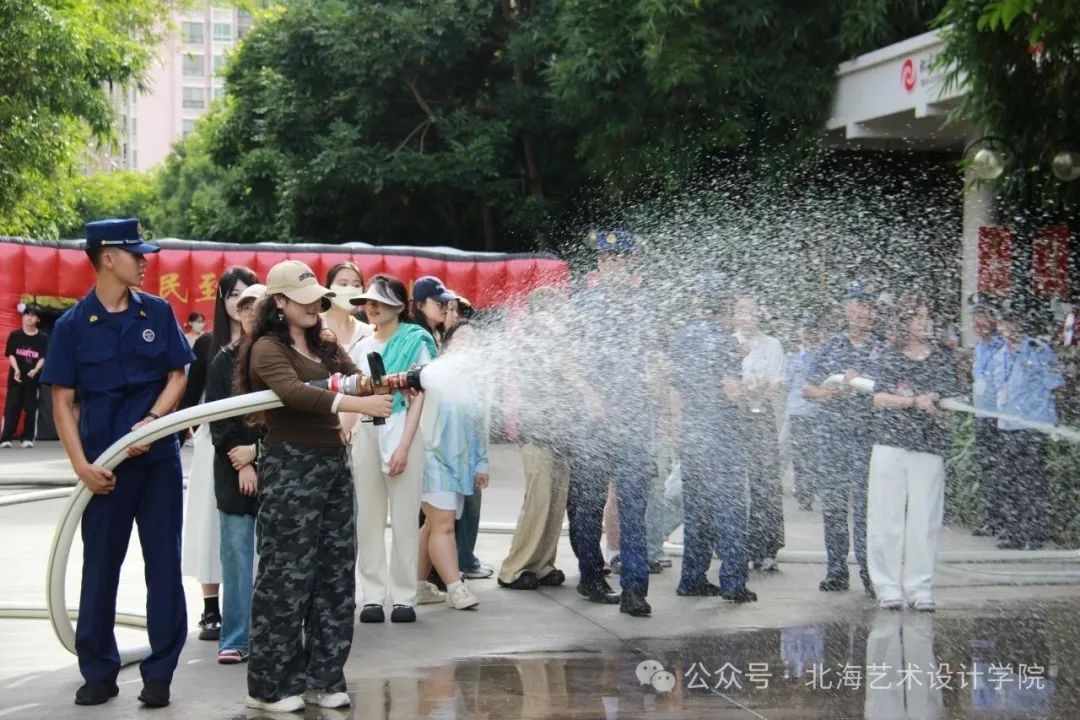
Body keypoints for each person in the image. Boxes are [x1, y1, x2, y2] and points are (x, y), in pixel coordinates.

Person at [42, 218, 194, 708]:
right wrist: (81, 467)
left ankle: (159, 674)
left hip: (157, 463)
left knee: (163, 566)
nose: (145, 262)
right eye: (136, 254)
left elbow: (178, 375)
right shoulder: (72, 326)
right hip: (103, 471)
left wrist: (153, 420)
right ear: (107, 258)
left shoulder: (158, 312)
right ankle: (98, 671)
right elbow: (63, 402)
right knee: (100, 569)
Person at [236, 260, 392, 712]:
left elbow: (353, 377)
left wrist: (386, 384)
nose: (312, 307)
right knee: (286, 577)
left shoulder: (325, 342)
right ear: (279, 303)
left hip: (333, 465)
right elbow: (295, 393)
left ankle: (323, 680)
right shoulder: (267, 348)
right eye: (302, 300)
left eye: (315, 299)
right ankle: (269, 687)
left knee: (335, 575)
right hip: (291, 467)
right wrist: (359, 403)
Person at [567, 229, 654, 617]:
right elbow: (562, 358)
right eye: (604, 259)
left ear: (629, 262)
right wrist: (587, 393)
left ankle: (635, 588)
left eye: (617, 259)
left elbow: (654, 354)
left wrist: (661, 391)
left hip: (634, 417)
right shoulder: (584, 305)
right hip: (593, 421)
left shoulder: (644, 304)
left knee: (634, 504)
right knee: (588, 504)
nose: (610, 265)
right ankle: (590, 574)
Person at [350, 274, 437, 624]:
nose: (372, 308)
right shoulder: (360, 346)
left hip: (403, 429)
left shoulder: (417, 340)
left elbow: (419, 397)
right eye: (369, 302)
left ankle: (403, 595)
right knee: (368, 518)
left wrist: (404, 445)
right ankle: (372, 595)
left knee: (404, 516)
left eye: (380, 301)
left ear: (400, 306)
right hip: (366, 431)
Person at [180, 266, 259, 643]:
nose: (240, 302)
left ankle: (249, 606)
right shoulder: (208, 345)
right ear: (222, 300)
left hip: (257, 442)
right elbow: (189, 398)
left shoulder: (266, 344)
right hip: (216, 441)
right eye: (233, 295)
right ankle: (211, 607)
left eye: (247, 294)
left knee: (247, 530)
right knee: (210, 524)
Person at [868, 290, 960, 611]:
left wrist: (935, 403)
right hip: (890, 444)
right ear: (904, 322)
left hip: (928, 446)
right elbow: (879, 397)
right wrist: (912, 401)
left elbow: (951, 401)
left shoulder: (942, 358)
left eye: (928, 317)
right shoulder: (890, 355)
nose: (925, 323)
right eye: (918, 317)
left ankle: (920, 588)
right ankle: (887, 586)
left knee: (924, 518)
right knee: (886, 516)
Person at [670, 273, 757, 603]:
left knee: (697, 510)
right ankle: (734, 583)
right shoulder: (725, 341)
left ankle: (692, 578)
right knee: (730, 509)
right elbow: (732, 391)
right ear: (727, 305)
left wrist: (677, 427)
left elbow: (674, 388)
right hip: (722, 434)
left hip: (693, 433)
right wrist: (752, 388)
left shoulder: (683, 338)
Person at [803, 279, 885, 596]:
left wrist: (862, 381)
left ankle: (869, 572)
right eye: (860, 304)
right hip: (833, 436)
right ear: (847, 307)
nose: (865, 312)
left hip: (868, 436)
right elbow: (807, 389)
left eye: (870, 306)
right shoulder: (831, 347)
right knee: (834, 504)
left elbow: (892, 388)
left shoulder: (882, 349)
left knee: (866, 507)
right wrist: (831, 392)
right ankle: (836, 571)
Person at [206, 283, 265, 665]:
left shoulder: (281, 355)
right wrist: (242, 461)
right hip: (232, 472)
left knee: (280, 560)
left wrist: (257, 453)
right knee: (237, 556)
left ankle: (276, 635)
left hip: (279, 468)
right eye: (243, 307)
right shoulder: (223, 361)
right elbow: (218, 419)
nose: (249, 314)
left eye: (257, 307)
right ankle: (235, 638)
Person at [498, 287, 571, 591]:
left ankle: (542, 564)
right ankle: (514, 568)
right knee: (538, 502)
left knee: (555, 504)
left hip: (562, 436)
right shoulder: (530, 344)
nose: (558, 316)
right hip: (538, 435)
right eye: (552, 310)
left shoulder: (560, 342)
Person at [417, 321, 490, 610]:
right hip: (431, 459)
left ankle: (417, 585)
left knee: (432, 525)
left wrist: (482, 463)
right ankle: (455, 587)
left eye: (473, 341)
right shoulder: (431, 374)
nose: (467, 345)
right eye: (461, 339)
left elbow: (481, 426)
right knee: (444, 525)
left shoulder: (477, 383)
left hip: (461, 466)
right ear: (447, 344)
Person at [992, 301, 1063, 550]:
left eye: (1012, 321)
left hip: (1033, 425)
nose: (1008, 327)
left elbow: (1055, 384)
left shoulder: (1038, 350)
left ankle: (1033, 534)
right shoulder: (999, 355)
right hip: (1007, 425)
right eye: (1003, 322)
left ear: (1020, 322)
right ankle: (1014, 532)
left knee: (1031, 482)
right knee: (1009, 480)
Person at [732, 294, 786, 571]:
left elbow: (777, 383)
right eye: (742, 311)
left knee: (765, 482)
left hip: (761, 417)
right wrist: (744, 390)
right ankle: (735, 545)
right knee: (736, 482)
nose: (747, 317)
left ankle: (766, 547)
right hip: (734, 417)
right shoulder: (728, 342)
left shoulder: (772, 345)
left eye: (752, 312)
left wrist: (758, 391)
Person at [970, 299, 1005, 537]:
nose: (978, 323)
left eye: (983, 317)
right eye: (975, 318)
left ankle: (1006, 521)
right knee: (987, 468)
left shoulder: (1002, 346)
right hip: (982, 415)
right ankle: (991, 519)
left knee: (1003, 469)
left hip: (1001, 416)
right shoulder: (978, 348)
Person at [786, 313, 825, 512]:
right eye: (806, 331)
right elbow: (786, 383)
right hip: (798, 412)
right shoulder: (792, 358)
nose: (810, 335)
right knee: (801, 455)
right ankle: (804, 494)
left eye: (813, 330)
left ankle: (816, 488)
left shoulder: (824, 356)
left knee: (818, 454)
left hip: (819, 412)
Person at [0, 305, 47, 448]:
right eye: (27, 315)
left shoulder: (43, 337)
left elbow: (43, 357)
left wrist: (36, 369)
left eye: (32, 315)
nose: (29, 318)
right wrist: (16, 370)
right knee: (11, 408)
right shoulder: (15, 335)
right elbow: (12, 354)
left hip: (33, 379)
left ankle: (27, 438)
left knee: (31, 409)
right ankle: (6, 438)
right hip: (16, 379)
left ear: (37, 319)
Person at [322, 261, 373, 355]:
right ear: (329, 288)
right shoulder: (313, 324)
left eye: (356, 285)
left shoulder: (367, 332)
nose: (350, 290)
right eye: (343, 284)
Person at [411, 276, 455, 348]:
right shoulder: (417, 337)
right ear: (420, 305)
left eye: (446, 302)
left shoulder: (438, 333)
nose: (445, 307)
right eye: (439, 303)